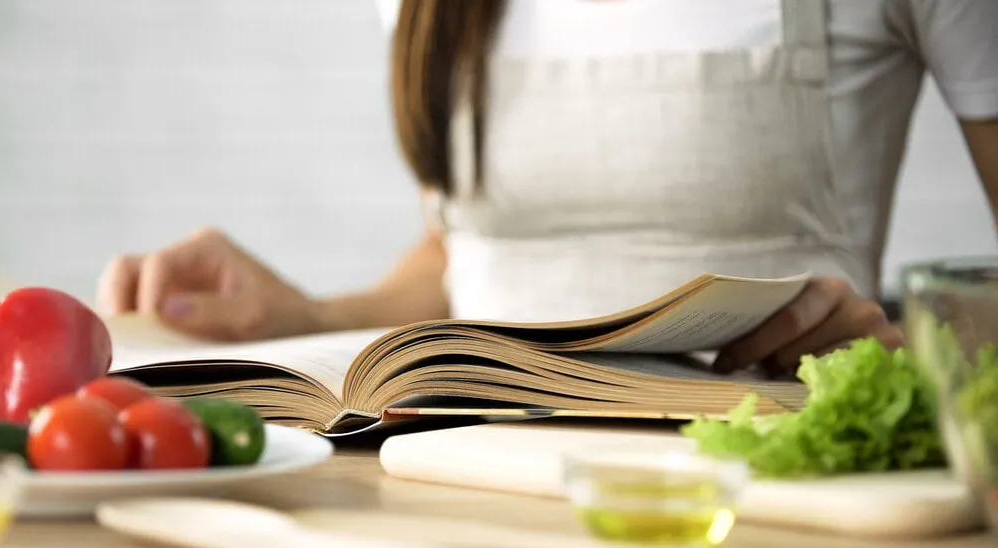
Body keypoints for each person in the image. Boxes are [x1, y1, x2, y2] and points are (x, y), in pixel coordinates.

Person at [98, 0, 998, 377]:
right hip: (471, 499)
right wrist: (308, 313)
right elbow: (477, 257)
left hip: (769, 516)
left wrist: (917, 355)